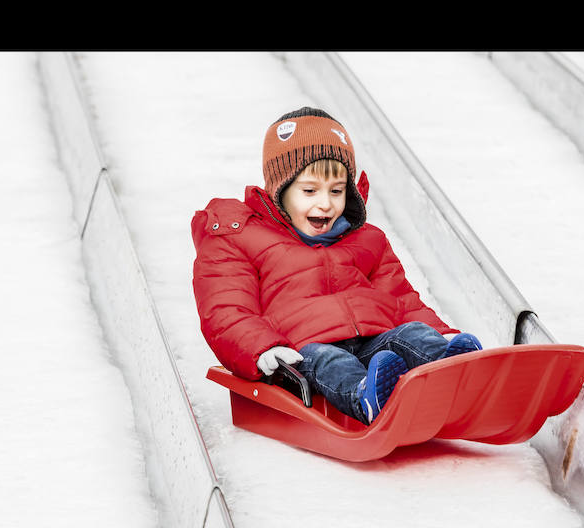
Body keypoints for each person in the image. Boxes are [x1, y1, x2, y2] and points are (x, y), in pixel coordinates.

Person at [192, 106, 482, 425]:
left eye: (337, 191)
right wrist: (262, 348)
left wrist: (442, 334)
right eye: (309, 191)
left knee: (410, 333)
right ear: (279, 191)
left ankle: (453, 368)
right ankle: (367, 398)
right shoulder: (241, 237)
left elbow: (403, 302)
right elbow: (226, 310)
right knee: (330, 359)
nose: (326, 203)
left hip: (373, 343)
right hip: (301, 352)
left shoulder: (367, 240)